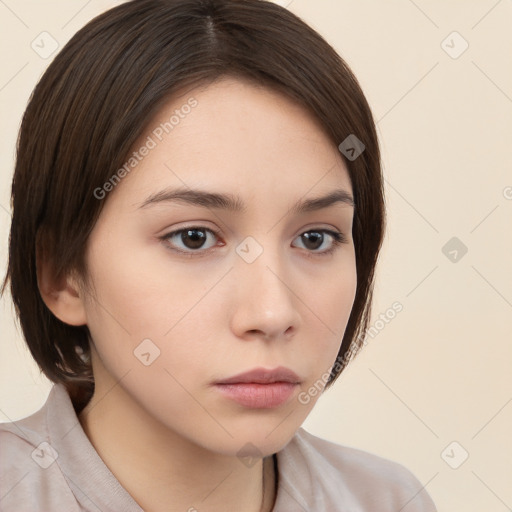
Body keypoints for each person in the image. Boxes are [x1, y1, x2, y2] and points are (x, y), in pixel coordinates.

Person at [0, 1, 437, 510]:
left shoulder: (386, 500)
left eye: (315, 238)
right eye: (193, 238)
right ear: (62, 276)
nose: (272, 313)